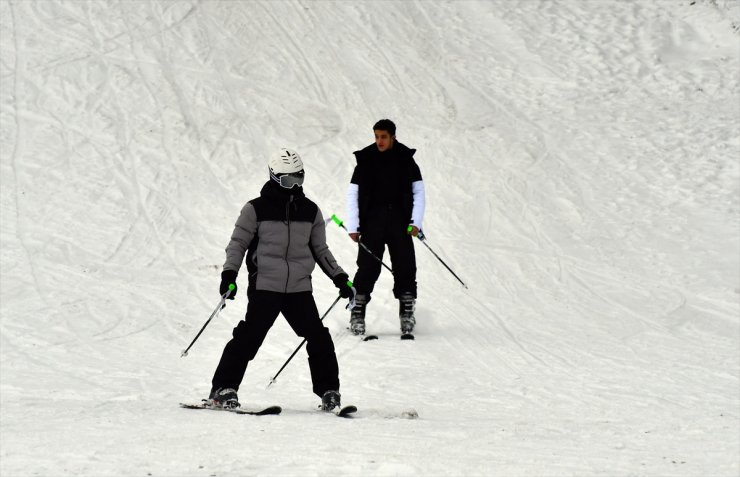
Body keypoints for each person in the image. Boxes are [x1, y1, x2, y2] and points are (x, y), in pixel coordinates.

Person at [208, 148, 354, 412]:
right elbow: (238, 244)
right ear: (275, 178)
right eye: (289, 181)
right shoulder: (255, 209)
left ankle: (329, 391)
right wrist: (229, 274)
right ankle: (222, 388)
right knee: (249, 336)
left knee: (318, 337)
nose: (295, 186)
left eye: (299, 178)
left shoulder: (310, 212)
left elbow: (321, 250)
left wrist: (340, 277)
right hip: (266, 285)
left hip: (299, 288)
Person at [345, 119, 425, 336]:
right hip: (372, 223)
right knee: (368, 267)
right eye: (377, 136)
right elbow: (353, 193)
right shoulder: (365, 159)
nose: (379, 141)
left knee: (405, 266)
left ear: (393, 137)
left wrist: (415, 223)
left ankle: (407, 312)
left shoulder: (406, 160)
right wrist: (354, 226)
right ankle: (357, 312)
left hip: (400, 224)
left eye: (383, 137)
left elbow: (418, 192)